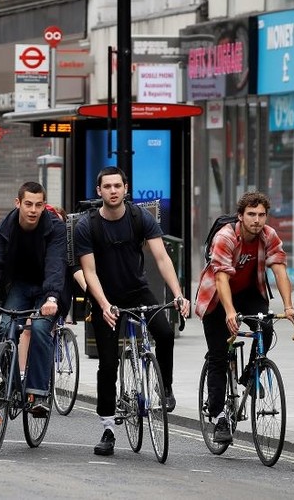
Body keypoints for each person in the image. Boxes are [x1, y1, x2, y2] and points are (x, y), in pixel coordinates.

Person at [75, 166, 189, 456]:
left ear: (126, 188)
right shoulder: (87, 225)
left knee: (164, 332)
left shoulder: (140, 217)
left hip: (137, 291)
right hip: (105, 296)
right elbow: (89, 272)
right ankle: (108, 428)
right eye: (107, 186)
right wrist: (103, 305)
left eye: (118, 185)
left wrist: (178, 295)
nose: (113, 191)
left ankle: (166, 389)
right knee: (108, 365)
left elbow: (162, 258)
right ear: (98, 191)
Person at [195, 191, 294, 444]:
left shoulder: (268, 236)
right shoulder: (226, 236)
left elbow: (280, 271)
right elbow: (221, 278)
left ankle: (251, 372)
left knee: (266, 326)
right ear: (240, 216)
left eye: (262, 215)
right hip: (219, 298)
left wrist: (289, 307)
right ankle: (219, 417)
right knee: (219, 356)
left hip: (250, 292)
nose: (257, 220)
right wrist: (230, 312)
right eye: (251, 214)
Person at [0, 181, 66, 417]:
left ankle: (38, 394)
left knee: (42, 328)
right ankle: (9, 383)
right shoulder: (6, 226)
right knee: (6, 326)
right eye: (28, 204)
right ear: (18, 203)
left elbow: (56, 264)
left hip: (47, 287)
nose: (33, 210)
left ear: (44, 205)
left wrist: (53, 297)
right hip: (19, 284)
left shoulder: (55, 227)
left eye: (39, 205)